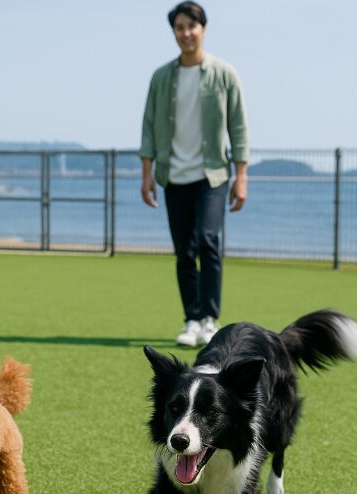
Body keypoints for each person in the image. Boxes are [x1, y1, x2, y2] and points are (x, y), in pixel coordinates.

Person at [140, 2, 249, 347]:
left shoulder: (224, 74)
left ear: (203, 29)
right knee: (184, 252)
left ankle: (209, 319)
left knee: (207, 241)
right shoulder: (161, 77)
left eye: (192, 26)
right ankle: (191, 319)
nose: (186, 33)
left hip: (212, 175)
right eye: (179, 27)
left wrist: (242, 176)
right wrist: (147, 173)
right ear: (174, 33)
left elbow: (239, 126)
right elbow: (147, 127)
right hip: (174, 176)